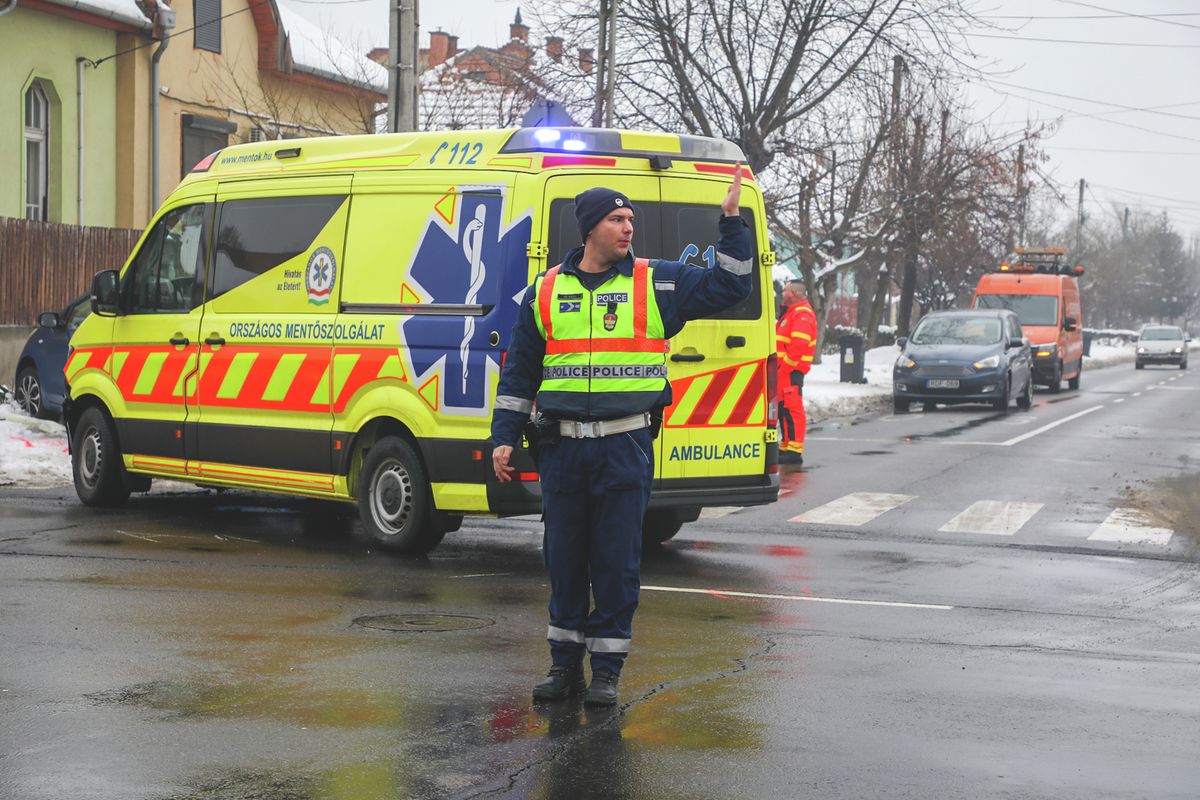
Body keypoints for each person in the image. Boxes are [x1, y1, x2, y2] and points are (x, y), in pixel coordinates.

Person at [491, 169, 753, 707]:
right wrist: (504, 437)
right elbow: (519, 373)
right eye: (617, 219)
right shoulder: (543, 291)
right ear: (589, 229)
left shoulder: (657, 282)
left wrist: (731, 222)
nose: (628, 228)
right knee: (563, 560)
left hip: (624, 447)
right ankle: (563, 667)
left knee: (615, 562)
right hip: (562, 449)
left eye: (630, 218)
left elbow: (732, 283)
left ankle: (606, 669)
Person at [776, 279, 816, 465]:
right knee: (784, 409)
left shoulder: (801, 314)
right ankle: (786, 445)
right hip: (784, 371)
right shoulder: (790, 314)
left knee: (792, 408)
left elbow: (799, 344)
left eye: (785, 290)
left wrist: (785, 367)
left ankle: (794, 449)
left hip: (791, 371)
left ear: (795, 293)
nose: (782, 293)